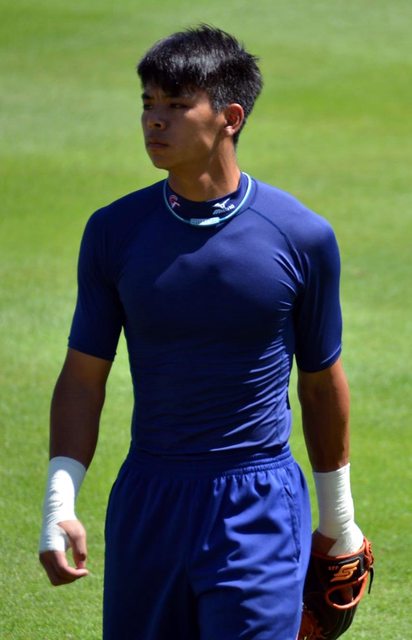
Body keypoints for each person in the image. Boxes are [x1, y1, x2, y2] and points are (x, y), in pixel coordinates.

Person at [39, 25, 365, 640]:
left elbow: (322, 384)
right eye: (147, 103)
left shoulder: (302, 237)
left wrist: (339, 522)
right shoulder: (113, 232)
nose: (153, 121)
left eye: (176, 104)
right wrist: (60, 503)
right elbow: (83, 377)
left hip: (257, 503)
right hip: (149, 501)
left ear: (229, 118)